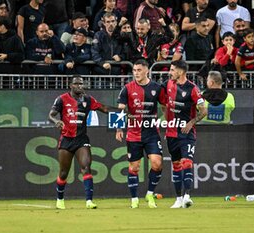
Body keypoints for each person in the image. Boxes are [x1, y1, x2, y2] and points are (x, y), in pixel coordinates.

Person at [48, 76, 111, 209]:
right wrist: (56, 121)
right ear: (70, 85)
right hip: (66, 139)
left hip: (81, 139)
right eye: (77, 84)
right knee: (64, 173)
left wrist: (122, 111)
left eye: (82, 84)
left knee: (86, 167)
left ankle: (89, 201)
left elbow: (104, 109)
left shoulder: (88, 99)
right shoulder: (62, 99)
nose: (80, 86)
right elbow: (51, 115)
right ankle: (60, 199)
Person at [115, 59, 166, 208]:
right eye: (134, 70)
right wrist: (119, 128)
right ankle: (134, 199)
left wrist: (169, 124)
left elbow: (164, 106)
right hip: (134, 134)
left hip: (151, 133)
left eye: (139, 70)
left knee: (157, 164)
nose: (136, 73)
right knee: (134, 167)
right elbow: (121, 109)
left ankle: (150, 194)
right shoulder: (127, 88)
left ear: (147, 71)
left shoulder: (157, 88)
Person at [162, 60, 207, 208]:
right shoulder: (168, 84)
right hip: (171, 133)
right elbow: (161, 102)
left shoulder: (193, 89)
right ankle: (178, 198)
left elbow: (204, 111)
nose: (170, 72)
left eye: (173, 70)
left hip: (186, 133)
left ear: (181, 72)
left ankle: (187, 195)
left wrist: (192, 122)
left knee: (186, 162)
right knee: (176, 165)